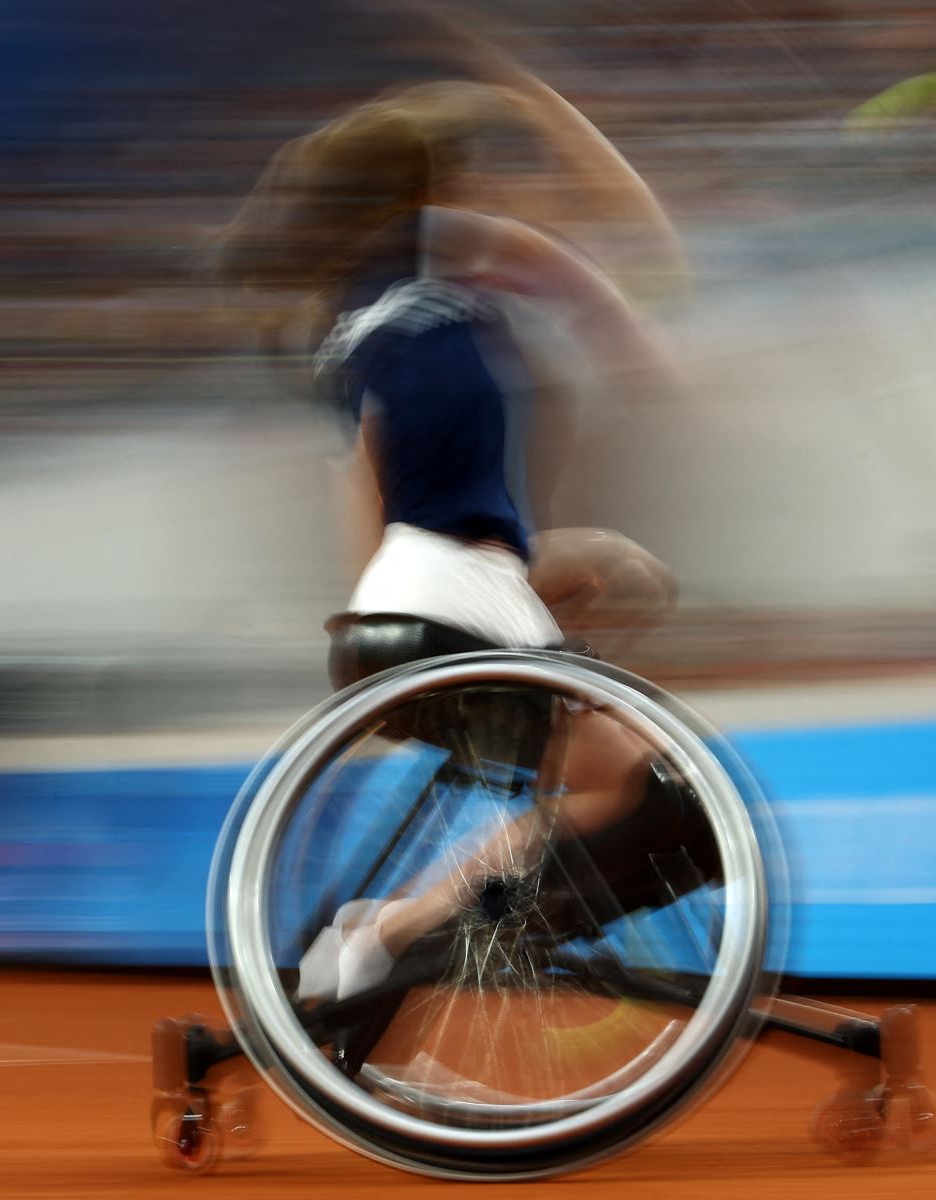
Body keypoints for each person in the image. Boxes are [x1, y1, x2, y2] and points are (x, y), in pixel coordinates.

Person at [215, 40, 691, 1003]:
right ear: (423, 192)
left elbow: (375, 493)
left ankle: (415, 933)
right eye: (464, 176)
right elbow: (623, 244)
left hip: (416, 585)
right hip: (457, 589)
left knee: (617, 588)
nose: (485, 193)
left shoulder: (351, 323)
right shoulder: (435, 255)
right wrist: (529, 95)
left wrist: (369, 630)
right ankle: (391, 934)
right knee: (636, 790)